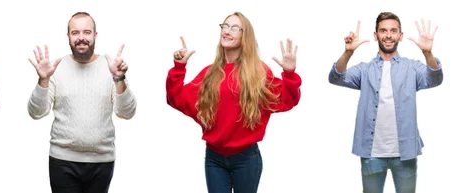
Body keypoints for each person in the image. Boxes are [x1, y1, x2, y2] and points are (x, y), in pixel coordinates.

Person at [166, 11, 302, 193]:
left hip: (246, 159)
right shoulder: (209, 73)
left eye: (235, 28)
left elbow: (287, 100)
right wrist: (179, 67)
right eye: (225, 26)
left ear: (245, 36)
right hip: (214, 159)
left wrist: (290, 74)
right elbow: (176, 98)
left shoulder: (258, 72)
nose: (227, 31)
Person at [328, 12, 443, 193]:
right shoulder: (364, 69)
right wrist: (348, 53)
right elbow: (336, 78)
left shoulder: (412, 68)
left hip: (405, 153)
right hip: (371, 154)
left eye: (393, 31)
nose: (388, 35)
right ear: (376, 35)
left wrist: (428, 53)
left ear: (400, 35)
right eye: (383, 31)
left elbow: (435, 79)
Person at [26, 12, 137, 193]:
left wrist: (119, 78)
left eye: (86, 32)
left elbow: (127, 112)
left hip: (102, 161)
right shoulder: (56, 68)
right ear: (68, 36)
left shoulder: (111, 67)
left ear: (95, 35)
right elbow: (35, 112)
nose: (81, 38)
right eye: (75, 33)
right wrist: (43, 80)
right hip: (62, 161)